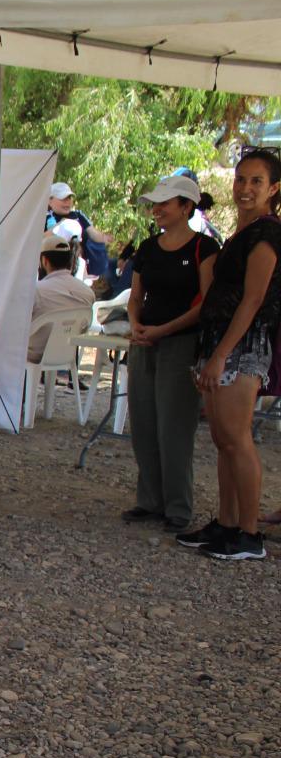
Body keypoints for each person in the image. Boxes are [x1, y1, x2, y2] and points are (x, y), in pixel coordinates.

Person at [179, 148, 281, 561]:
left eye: (256, 181)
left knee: (237, 438)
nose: (245, 188)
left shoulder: (267, 233)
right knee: (223, 438)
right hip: (220, 341)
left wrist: (222, 354)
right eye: (241, 179)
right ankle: (226, 522)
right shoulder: (242, 232)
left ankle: (250, 533)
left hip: (243, 344)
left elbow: (253, 299)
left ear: (273, 189)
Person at [122, 174, 219, 531]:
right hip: (144, 339)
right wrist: (136, 323)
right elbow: (136, 296)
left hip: (181, 343)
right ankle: (149, 500)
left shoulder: (204, 249)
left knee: (174, 426)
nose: (158, 210)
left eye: (166, 203)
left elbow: (205, 303)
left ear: (187, 207)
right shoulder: (147, 248)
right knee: (144, 422)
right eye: (156, 203)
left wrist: (163, 330)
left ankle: (178, 507)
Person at [25, 231, 96, 364]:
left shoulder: (36, 290)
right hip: (68, 353)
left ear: (44, 261)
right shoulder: (88, 293)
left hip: (34, 354)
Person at [45, 181, 111, 279]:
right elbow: (40, 240)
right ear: (50, 201)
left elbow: (92, 233)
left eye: (69, 198)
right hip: (53, 269)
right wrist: (61, 226)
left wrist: (104, 237)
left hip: (80, 267)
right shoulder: (43, 218)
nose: (67, 202)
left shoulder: (78, 215)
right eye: (63, 198)